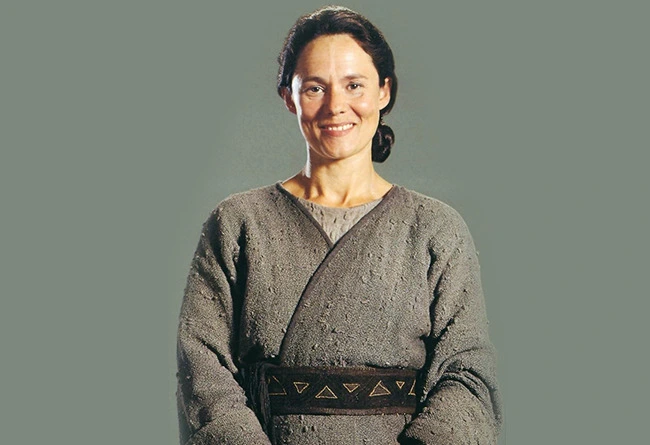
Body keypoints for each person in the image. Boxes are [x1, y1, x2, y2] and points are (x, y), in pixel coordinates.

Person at [176, 6, 502, 445]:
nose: (335, 106)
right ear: (288, 97)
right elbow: (201, 366)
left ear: (384, 91)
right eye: (315, 87)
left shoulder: (436, 229)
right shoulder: (237, 223)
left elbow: (467, 373)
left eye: (354, 85)